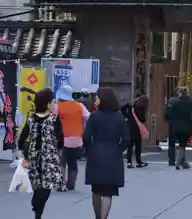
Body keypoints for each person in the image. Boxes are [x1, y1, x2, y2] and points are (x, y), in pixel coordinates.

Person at [18, 88, 66, 219]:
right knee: (43, 186)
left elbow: (22, 139)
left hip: (40, 156)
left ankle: (37, 209)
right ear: (47, 103)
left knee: (41, 186)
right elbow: (61, 138)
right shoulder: (49, 119)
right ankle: (37, 210)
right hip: (44, 156)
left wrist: (25, 153)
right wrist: (57, 149)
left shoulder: (36, 119)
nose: (54, 104)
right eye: (52, 101)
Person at [83, 87, 130, 219]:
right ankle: (104, 217)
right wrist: (119, 149)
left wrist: (90, 149)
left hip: (96, 154)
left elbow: (86, 136)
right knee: (108, 193)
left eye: (97, 98)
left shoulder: (95, 116)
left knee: (96, 189)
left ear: (103, 99)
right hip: (114, 155)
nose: (95, 100)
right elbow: (126, 139)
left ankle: (97, 216)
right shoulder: (120, 117)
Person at [54, 84, 90, 190]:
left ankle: (60, 183)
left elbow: (51, 121)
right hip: (77, 140)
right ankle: (71, 184)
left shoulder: (57, 107)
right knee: (73, 162)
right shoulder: (79, 106)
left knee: (61, 162)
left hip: (62, 140)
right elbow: (88, 117)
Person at [164, 87, 192, 170]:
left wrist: (171, 121)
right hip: (186, 127)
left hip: (173, 126)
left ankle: (174, 160)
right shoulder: (191, 102)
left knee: (172, 144)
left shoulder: (172, 101)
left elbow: (166, 115)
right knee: (182, 145)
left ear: (178, 92)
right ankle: (178, 162)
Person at [122, 95, 149, 168]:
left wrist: (127, 116)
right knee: (138, 146)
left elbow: (122, 108)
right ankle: (138, 162)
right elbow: (142, 119)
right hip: (138, 128)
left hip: (130, 126)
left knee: (130, 146)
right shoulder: (141, 108)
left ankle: (129, 162)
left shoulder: (132, 106)